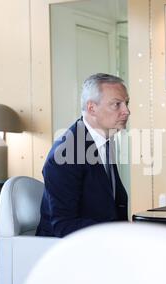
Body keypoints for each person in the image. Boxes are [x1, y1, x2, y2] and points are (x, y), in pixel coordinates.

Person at [36, 73, 130, 237]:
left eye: (126, 103)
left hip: (101, 242)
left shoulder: (105, 141)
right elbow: (64, 225)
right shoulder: (65, 154)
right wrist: (117, 234)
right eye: (117, 105)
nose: (126, 111)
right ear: (92, 108)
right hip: (65, 251)